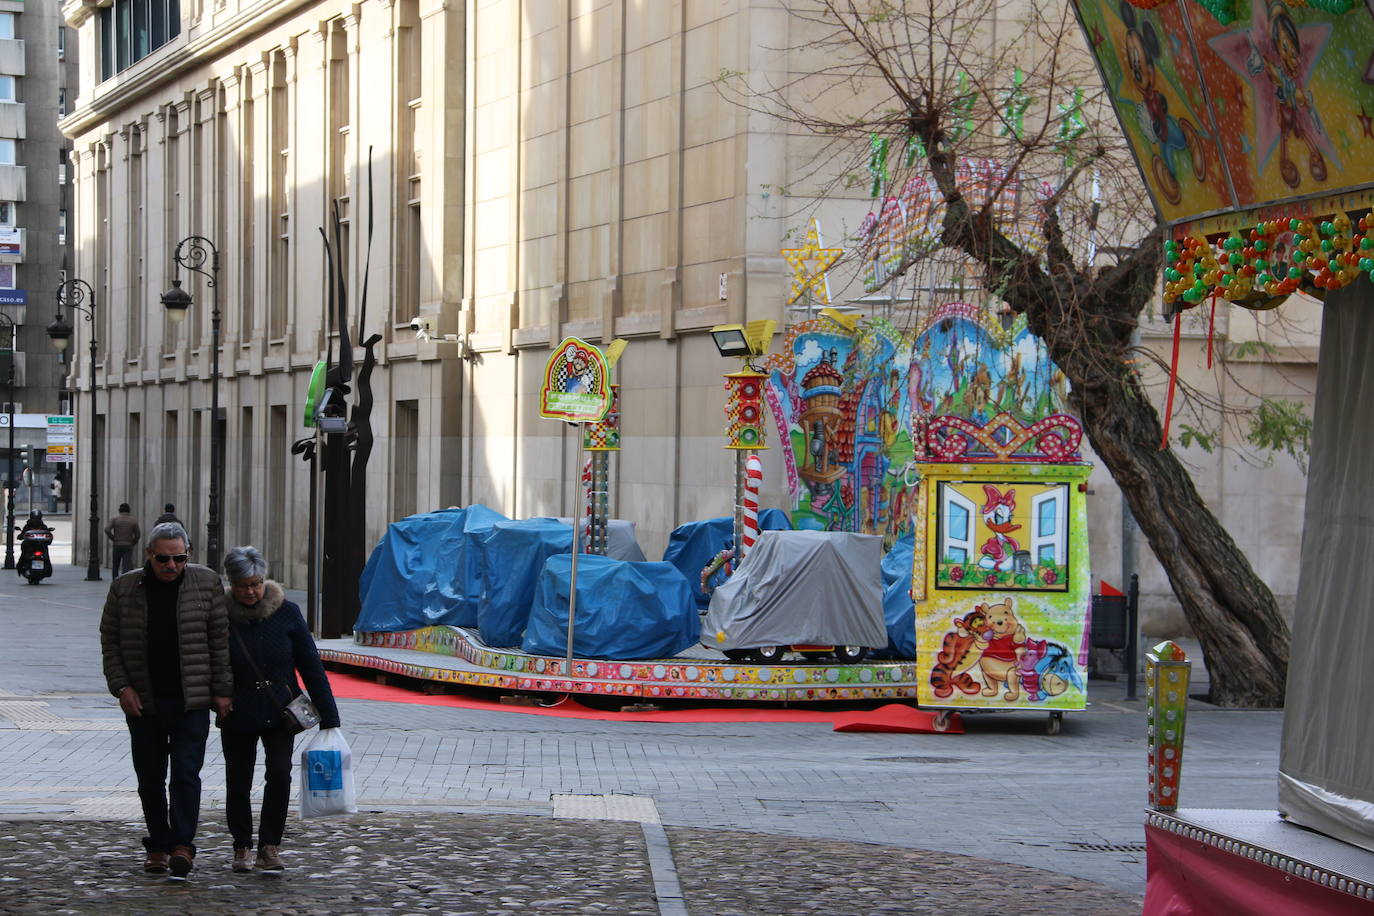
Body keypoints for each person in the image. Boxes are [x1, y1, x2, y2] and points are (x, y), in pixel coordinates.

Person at [99, 522, 232, 879]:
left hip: (192, 699)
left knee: (186, 775)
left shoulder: (206, 583)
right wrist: (122, 687)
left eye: (179, 558)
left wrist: (222, 690)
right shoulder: (124, 588)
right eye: (164, 559)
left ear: (188, 554)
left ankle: (183, 845)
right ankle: (158, 843)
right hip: (144, 700)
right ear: (149, 555)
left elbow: (220, 641)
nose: (172, 566)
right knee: (150, 776)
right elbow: (110, 643)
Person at [219, 545, 340, 873]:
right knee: (238, 779)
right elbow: (210, 661)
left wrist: (330, 716)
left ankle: (270, 844)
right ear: (232, 583)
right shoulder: (221, 614)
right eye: (243, 585)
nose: (251, 591)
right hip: (238, 710)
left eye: (256, 583)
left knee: (279, 773)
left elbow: (310, 665)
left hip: (281, 712)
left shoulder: (286, 612)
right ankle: (241, 844)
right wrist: (218, 696)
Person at [105, 503, 142, 578]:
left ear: (119, 510)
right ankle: (124, 582)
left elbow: (107, 529)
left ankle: (115, 581)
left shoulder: (115, 519)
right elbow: (138, 535)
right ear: (129, 511)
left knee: (115, 565)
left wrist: (113, 538)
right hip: (128, 545)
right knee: (126, 566)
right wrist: (133, 542)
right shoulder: (133, 521)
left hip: (117, 544)